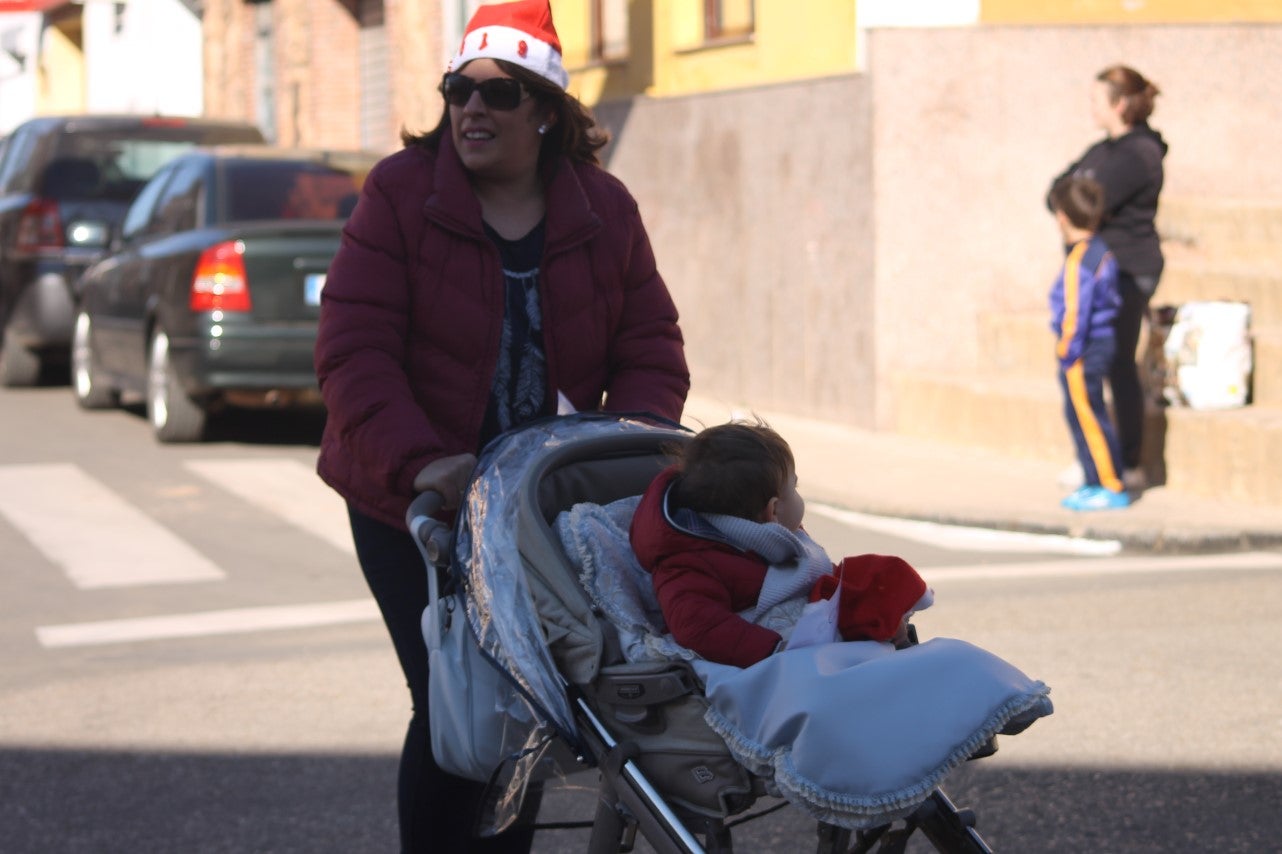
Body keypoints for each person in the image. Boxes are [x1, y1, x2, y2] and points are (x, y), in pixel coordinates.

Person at [312, 1, 690, 850]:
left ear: (547, 112)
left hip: (534, 506)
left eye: (500, 93)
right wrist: (422, 464)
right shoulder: (400, 194)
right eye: (459, 90)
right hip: (414, 501)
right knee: (454, 700)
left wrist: (620, 456)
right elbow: (352, 350)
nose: (472, 109)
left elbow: (650, 346)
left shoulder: (604, 207)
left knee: (524, 701)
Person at [628, 421, 932, 668]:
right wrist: (774, 650)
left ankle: (897, 638)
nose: (800, 497)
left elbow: (812, 576)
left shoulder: (768, 536)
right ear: (773, 510)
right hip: (775, 648)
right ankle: (888, 659)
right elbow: (699, 627)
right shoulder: (686, 560)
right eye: (794, 488)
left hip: (809, 625)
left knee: (872, 575)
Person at [1049, 64, 1168, 490]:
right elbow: (1059, 190)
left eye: (1097, 99)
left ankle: (1126, 463)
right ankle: (1094, 458)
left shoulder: (1140, 153)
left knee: (1115, 364)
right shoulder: (1103, 150)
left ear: (1120, 103)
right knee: (1090, 367)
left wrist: (1078, 193)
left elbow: (1087, 201)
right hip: (1095, 272)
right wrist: (1074, 191)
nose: (1091, 108)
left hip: (1129, 271)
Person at [1048, 175, 1130, 512]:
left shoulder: (1079, 260)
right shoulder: (1100, 251)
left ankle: (1108, 484)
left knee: (1088, 416)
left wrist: (1067, 348)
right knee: (1083, 413)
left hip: (1083, 349)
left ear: (1062, 217)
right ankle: (1093, 480)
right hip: (1100, 341)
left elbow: (1075, 311)